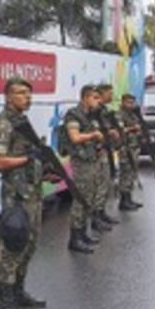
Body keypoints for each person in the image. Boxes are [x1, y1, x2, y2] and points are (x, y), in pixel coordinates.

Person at [0, 78, 48, 309]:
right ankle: (5, 303)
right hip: (16, 196)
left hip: (32, 193)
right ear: (7, 97)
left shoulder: (21, 121)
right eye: (21, 93)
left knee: (30, 245)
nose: (27, 97)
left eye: (29, 93)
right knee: (13, 247)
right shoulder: (3, 123)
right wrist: (28, 159)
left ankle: (19, 292)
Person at [62, 85, 107, 254]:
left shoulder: (91, 116)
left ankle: (82, 233)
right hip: (81, 162)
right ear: (85, 98)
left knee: (90, 196)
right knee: (81, 199)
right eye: (95, 97)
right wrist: (93, 136)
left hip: (92, 159)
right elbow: (74, 137)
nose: (98, 101)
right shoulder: (74, 114)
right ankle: (75, 238)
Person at [94, 83, 122, 226]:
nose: (111, 96)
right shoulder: (95, 112)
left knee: (106, 183)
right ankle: (96, 217)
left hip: (107, 149)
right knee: (99, 185)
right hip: (98, 152)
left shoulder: (105, 110)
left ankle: (101, 213)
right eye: (109, 93)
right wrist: (109, 132)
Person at [117, 93, 144, 211]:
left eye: (132, 103)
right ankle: (123, 201)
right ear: (123, 102)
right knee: (126, 173)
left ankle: (129, 199)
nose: (131, 105)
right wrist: (133, 128)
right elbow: (119, 130)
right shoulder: (120, 115)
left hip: (134, 147)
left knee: (132, 173)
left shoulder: (132, 114)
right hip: (126, 148)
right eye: (128, 102)